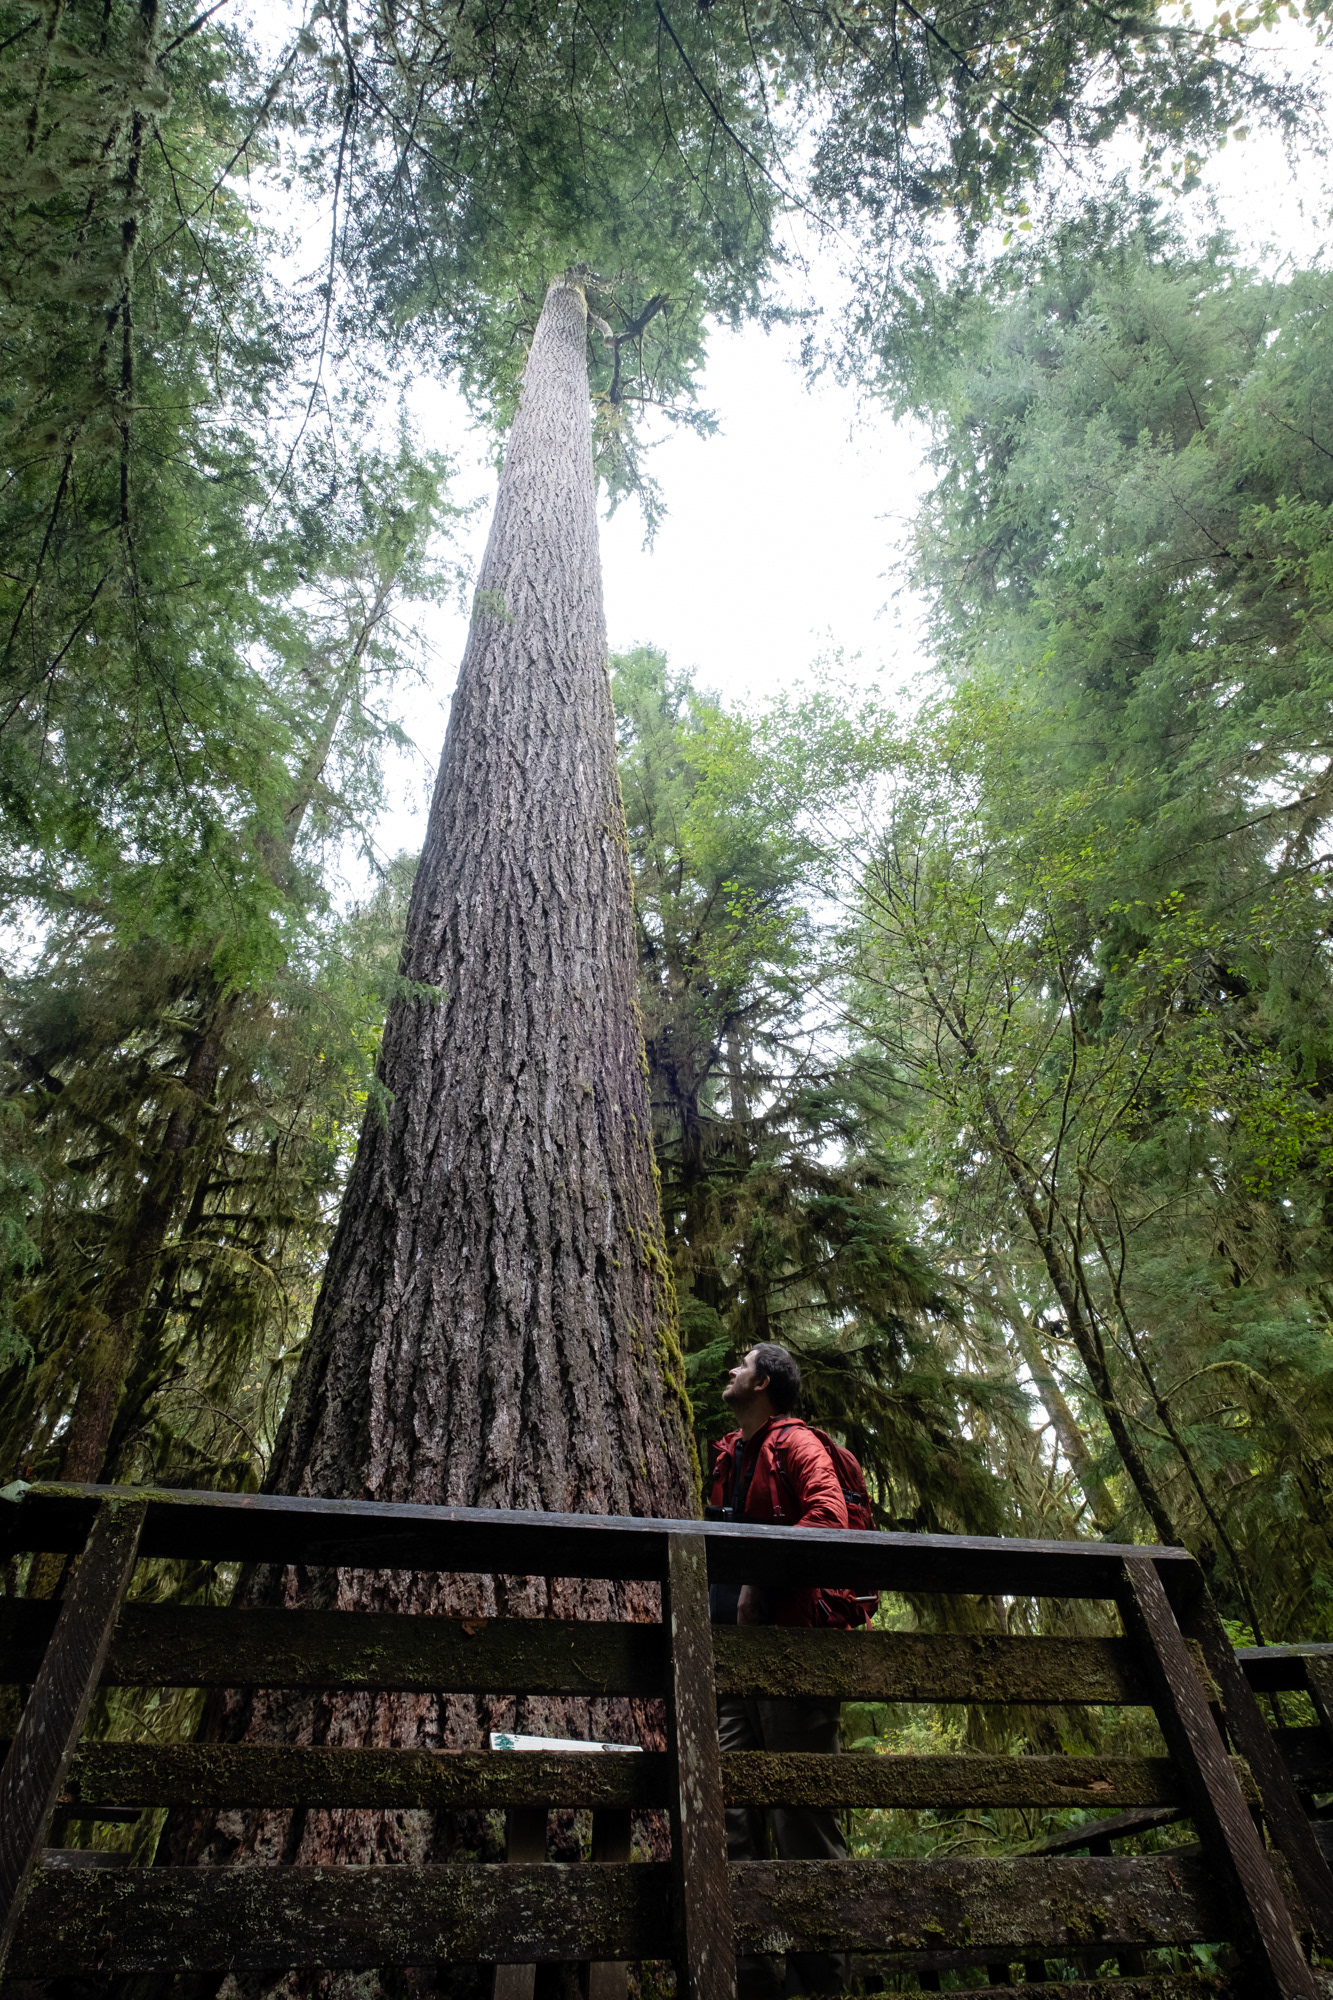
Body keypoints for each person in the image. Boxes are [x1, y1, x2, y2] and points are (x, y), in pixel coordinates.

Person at [707, 1344, 863, 1999]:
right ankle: (749, 1976)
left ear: (763, 1381)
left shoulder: (795, 1444)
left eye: (741, 1365)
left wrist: (758, 1585)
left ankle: (823, 1981)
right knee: (729, 1811)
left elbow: (826, 1518)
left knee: (801, 1815)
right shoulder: (729, 1455)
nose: (730, 1373)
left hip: (793, 1649)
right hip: (730, 1661)